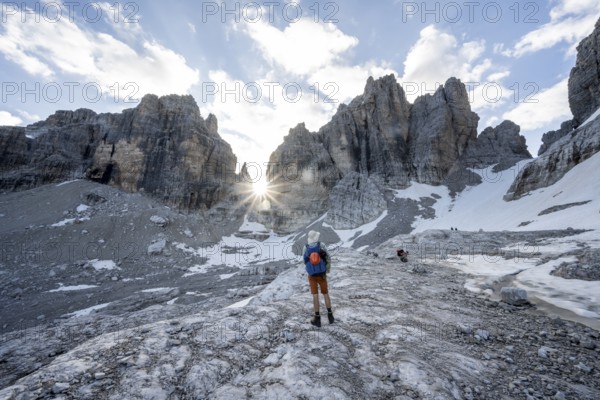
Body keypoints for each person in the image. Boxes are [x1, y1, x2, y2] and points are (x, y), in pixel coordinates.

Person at [303, 230, 334, 327]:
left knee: (315, 295)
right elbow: (328, 257)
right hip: (322, 274)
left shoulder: (305, 247)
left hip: (312, 276)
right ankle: (330, 316)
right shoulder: (322, 245)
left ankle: (317, 318)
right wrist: (327, 268)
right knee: (325, 293)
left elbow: (305, 261)